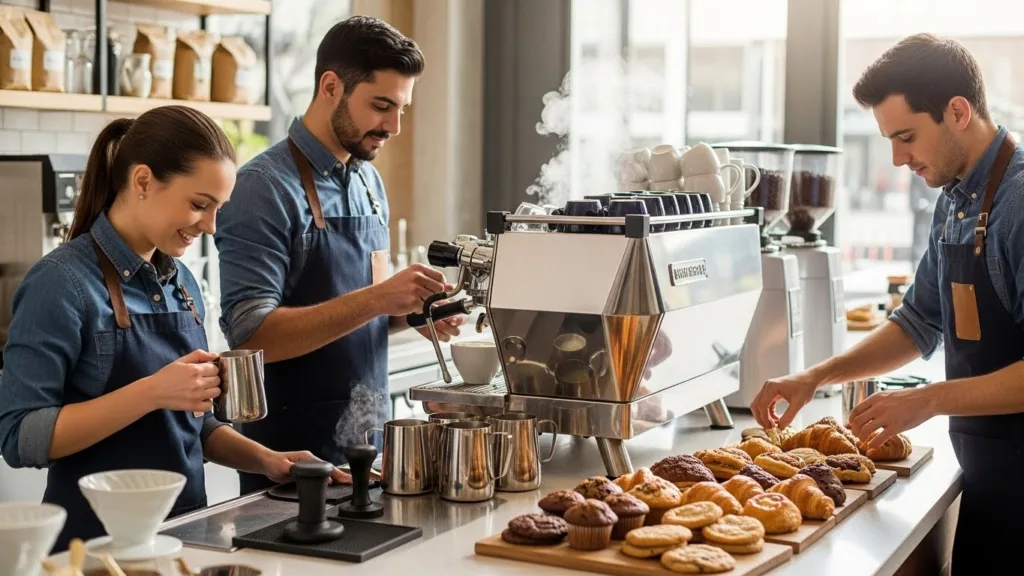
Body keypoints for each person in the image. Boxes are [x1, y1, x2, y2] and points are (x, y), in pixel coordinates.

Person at [0, 106, 347, 553]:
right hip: (94, 550)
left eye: (218, 209)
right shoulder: (61, 283)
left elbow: (193, 427)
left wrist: (269, 461)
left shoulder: (181, 284)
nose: (210, 226)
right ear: (142, 181)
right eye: (199, 204)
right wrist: (153, 392)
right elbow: (19, 437)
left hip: (185, 537)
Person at [750, 34, 1024, 570]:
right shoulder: (956, 200)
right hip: (992, 480)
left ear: (958, 111)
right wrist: (815, 377)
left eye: (906, 137)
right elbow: (917, 322)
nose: (898, 159)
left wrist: (928, 399)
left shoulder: (1021, 204)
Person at [214, 16, 464, 495]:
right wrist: (378, 299)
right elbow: (250, 336)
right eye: (381, 106)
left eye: (402, 110)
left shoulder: (369, 182)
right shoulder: (262, 189)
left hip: (367, 448)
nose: (392, 126)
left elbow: (365, 310)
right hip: (291, 463)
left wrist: (412, 312)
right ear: (331, 86)